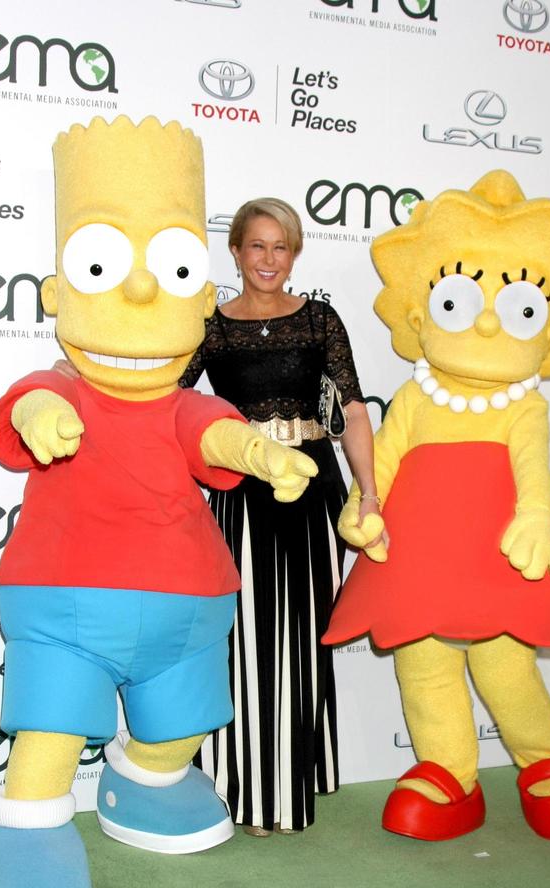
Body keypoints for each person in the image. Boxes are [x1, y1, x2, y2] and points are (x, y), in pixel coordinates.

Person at [179, 197, 381, 835]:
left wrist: (367, 490)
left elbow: (349, 410)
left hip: (312, 486)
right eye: (257, 246)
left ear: (294, 255)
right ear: (235, 251)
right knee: (245, 639)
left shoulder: (319, 319)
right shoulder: (210, 324)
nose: (268, 259)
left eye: (281, 247)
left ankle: (295, 772)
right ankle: (249, 789)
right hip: (242, 487)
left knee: (303, 632)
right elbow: (171, 405)